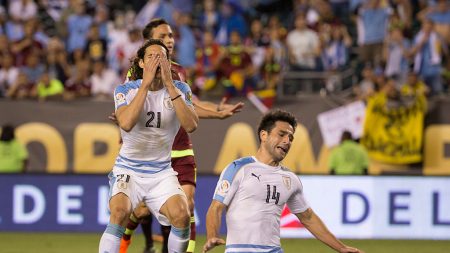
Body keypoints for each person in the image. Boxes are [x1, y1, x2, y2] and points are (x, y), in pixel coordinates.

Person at [116, 18, 244, 253]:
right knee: (142, 210)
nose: (170, 40)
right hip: (150, 153)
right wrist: (123, 135)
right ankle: (137, 244)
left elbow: (191, 105)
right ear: (150, 42)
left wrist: (217, 112)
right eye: (163, 36)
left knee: (185, 206)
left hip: (181, 147)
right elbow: (128, 109)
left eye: (171, 36)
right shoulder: (136, 74)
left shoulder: (179, 72)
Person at [202, 109, 364, 253]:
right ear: (263, 135)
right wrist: (212, 236)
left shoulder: (290, 179)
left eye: (291, 137)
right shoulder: (238, 168)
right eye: (281, 134)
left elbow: (307, 217)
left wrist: (341, 248)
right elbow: (216, 208)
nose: (287, 141)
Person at [98, 39, 199, 253]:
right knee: (119, 212)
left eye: (162, 56)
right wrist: (145, 85)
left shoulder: (180, 88)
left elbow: (191, 125)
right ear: (142, 63)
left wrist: (170, 85)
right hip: (128, 170)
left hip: (161, 172)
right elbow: (125, 123)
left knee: (182, 215)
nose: (157, 60)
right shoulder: (125, 90)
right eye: (151, 56)